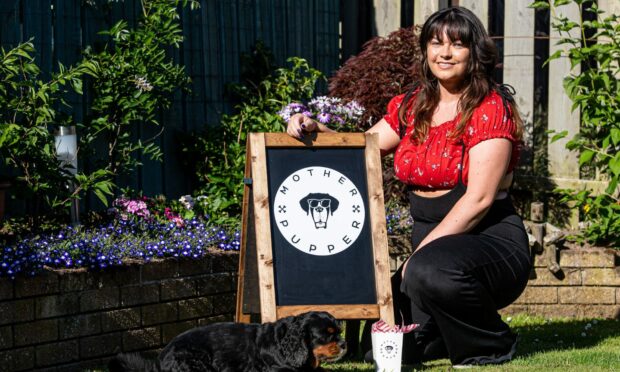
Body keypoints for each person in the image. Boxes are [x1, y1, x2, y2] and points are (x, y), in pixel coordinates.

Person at [286, 6, 532, 368]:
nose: (444, 53)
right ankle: (447, 338)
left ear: (474, 53)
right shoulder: (412, 106)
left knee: (427, 272)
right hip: (431, 253)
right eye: (436, 43)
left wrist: (417, 259)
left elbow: (479, 200)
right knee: (382, 346)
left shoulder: (490, 108)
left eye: (456, 45)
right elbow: (363, 148)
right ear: (425, 50)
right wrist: (313, 129)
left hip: (488, 242)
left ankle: (493, 343)